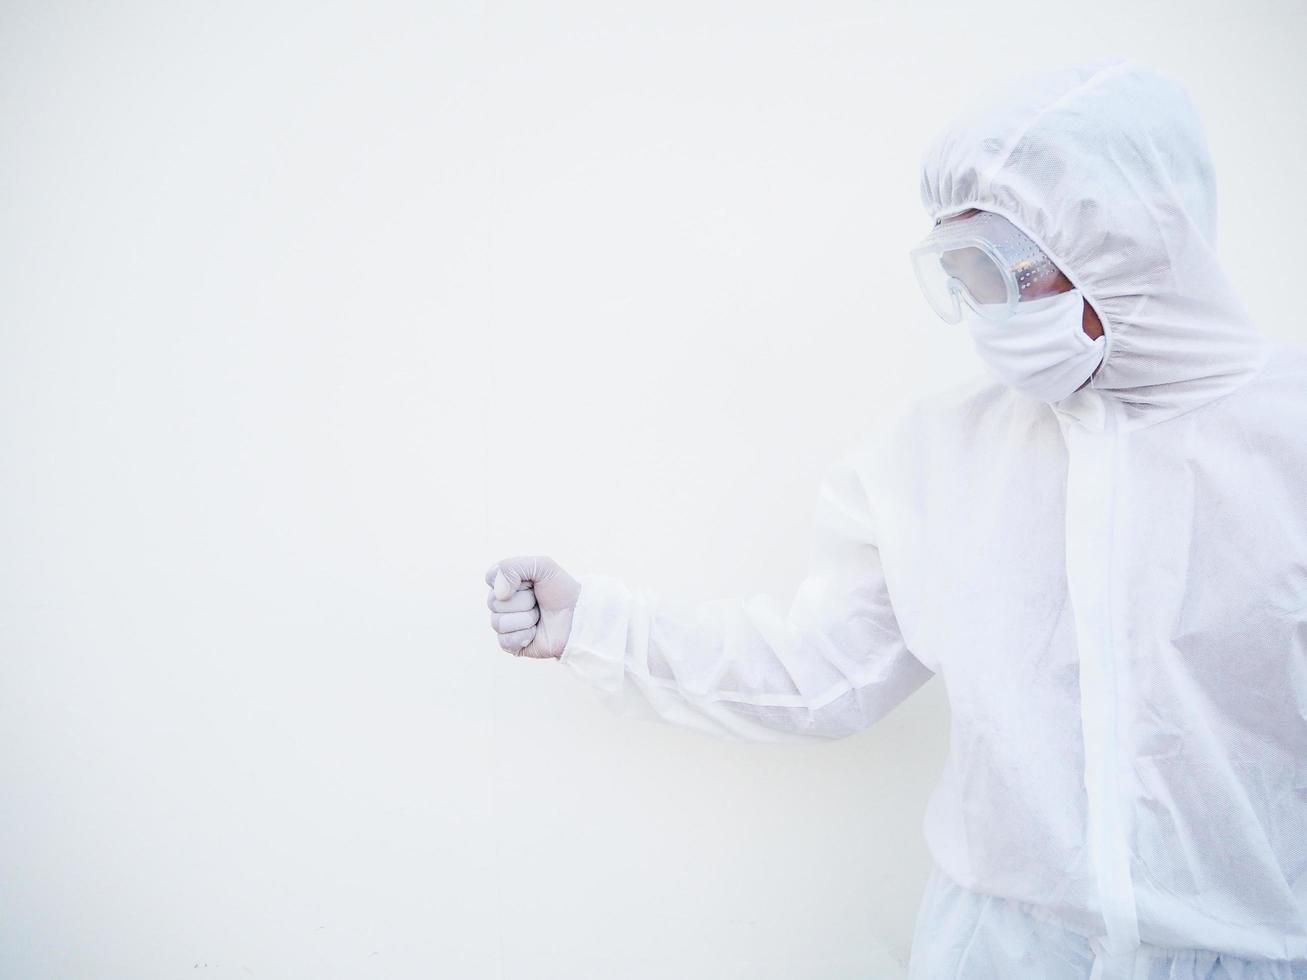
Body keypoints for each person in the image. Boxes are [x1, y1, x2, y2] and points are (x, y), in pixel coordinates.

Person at [483, 60, 1307, 979]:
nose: (980, 312)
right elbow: (819, 675)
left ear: (1128, 239)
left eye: (999, 269)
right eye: (956, 273)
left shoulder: (1288, 444)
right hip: (1001, 954)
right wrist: (598, 624)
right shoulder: (938, 459)